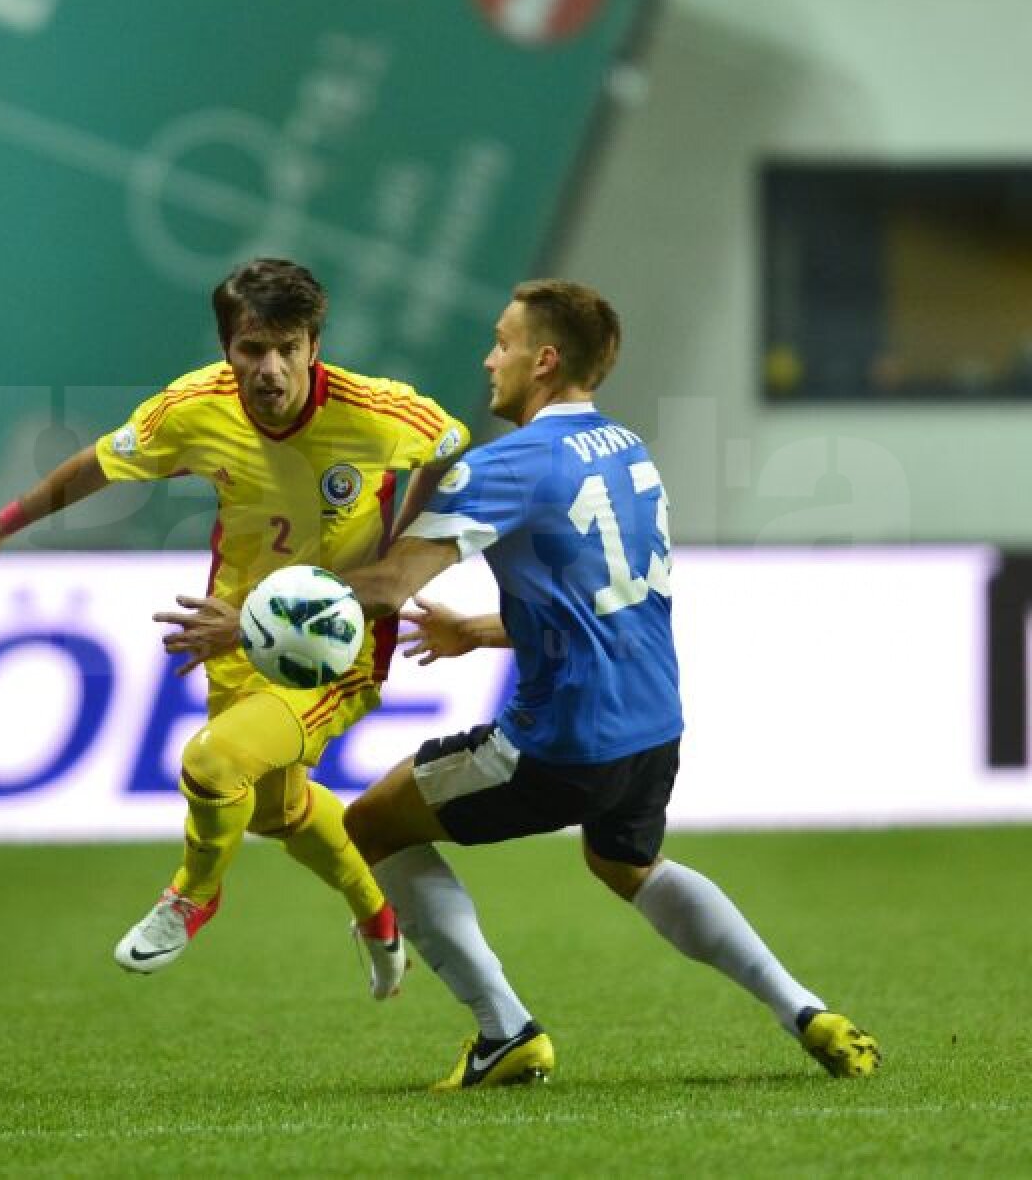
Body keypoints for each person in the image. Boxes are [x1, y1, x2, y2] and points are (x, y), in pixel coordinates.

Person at [327, 278, 882, 1088]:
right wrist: (479, 630)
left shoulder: (507, 464)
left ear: (544, 361)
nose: (489, 359)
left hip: (562, 740)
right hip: (654, 725)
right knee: (626, 865)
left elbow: (386, 587)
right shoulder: (627, 449)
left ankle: (505, 1032)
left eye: (503, 342)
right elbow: (603, 604)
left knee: (372, 824)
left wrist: (244, 616)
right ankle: (804, 1008)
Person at [0, 257, 470, 997]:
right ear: (227, 349)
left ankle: (192, 895)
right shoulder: (193, 409)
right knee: (279, 813)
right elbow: (101, 464)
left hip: (334, 652)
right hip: (233, 634)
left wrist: (404, 548)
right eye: (252, 349)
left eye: (287, 348)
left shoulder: (374, 412)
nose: (271, 369)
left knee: (215, 765)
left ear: (315, 346)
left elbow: (451, 446)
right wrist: (2, 523)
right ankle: (378, 915)